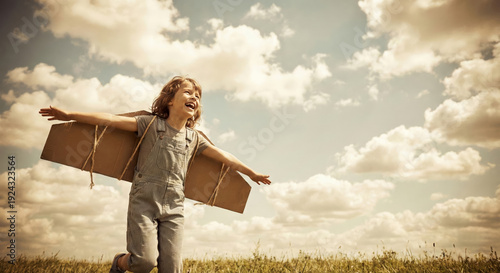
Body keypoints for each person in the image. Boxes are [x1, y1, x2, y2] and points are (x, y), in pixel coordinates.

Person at [39, 76, 271, 273]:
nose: (194, 98)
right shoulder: (149, 124)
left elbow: (225, 157)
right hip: (144, 201)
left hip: (174, 206)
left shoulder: (195, 138)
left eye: (198, 96)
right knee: (143, 262)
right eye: (188, 92)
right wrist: (68, 113)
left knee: (172, 267)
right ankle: (119, 263)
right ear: (170, 100)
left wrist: (251, 173)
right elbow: (109, 119)